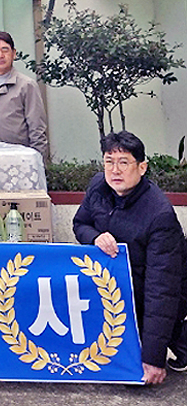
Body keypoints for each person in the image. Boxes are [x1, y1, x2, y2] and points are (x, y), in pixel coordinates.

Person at [73, 131, 187, 385]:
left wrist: (154, 359)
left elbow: (162, 291)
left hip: (156, 288)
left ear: (142, 167)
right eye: (109, 162)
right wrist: (95, 237)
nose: (115, 170)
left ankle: (178, 338)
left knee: (137, 369)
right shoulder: (98, 186)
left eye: (124, 162)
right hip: (117, 285)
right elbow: (80, 223)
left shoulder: (159, 214)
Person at [0, 31, 47, 159]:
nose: (0, 55)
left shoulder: (26, 85)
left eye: (5, 50)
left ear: (14, 53)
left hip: (18, 159)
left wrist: (38, 163)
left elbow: (37, 129)